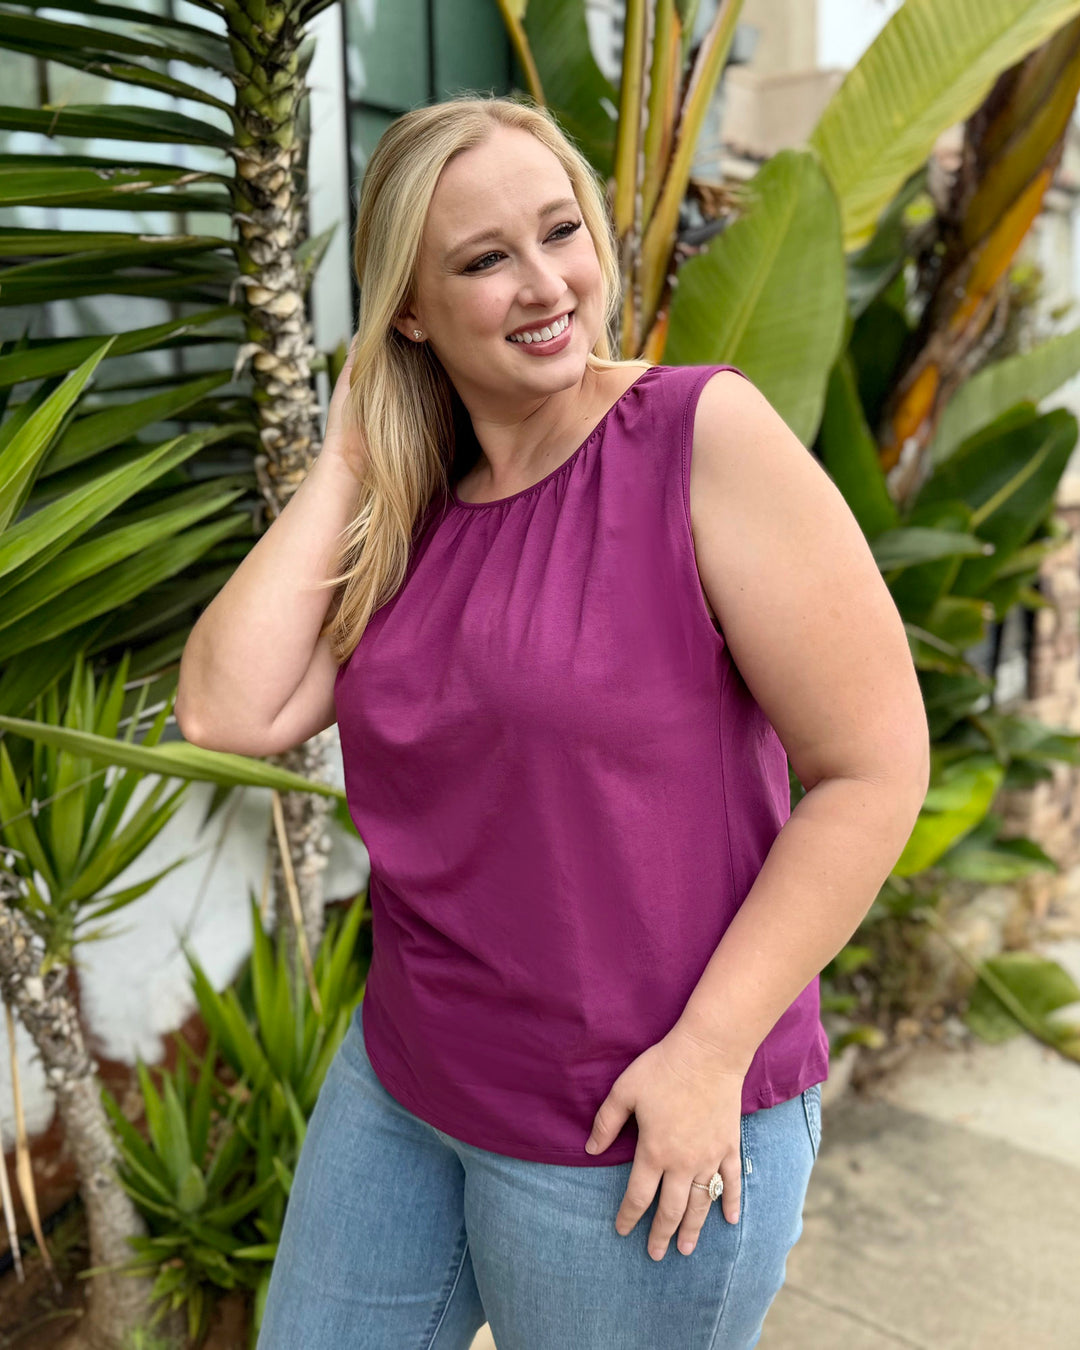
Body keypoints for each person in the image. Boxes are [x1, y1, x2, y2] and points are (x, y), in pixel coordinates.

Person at [176, 94, 929, 1350]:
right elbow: (226, 706)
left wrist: (709, 1055)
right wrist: (353, 449)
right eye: (484, 260)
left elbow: (873, 768)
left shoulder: (696, 436)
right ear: (409, 311)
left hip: (630, 1119)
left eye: (560, 230)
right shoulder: (415, 506)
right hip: (405, 1083)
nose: (545, 284)